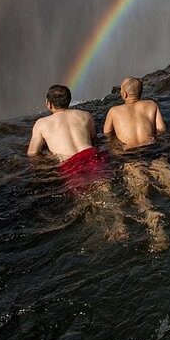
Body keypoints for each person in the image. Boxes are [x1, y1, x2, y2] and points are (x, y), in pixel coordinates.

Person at [104, 77, 170, 248]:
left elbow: (107, 134)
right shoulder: (151, 105)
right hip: (153, 151)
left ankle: (156, 226)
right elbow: (161, 129)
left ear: (123, 93)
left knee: (140, 195)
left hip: (130, 155)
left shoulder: (114, 111)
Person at [27, 84, 126, 240]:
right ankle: (120, 225)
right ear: (69, 101)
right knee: (106, 191)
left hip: (70, 163)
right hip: (92, 155)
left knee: (85, 198)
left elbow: (32, 153)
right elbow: (93, 138)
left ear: (49, 104)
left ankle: (103, 232)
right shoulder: (85, 115)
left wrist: (49, 158)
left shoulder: (41, 123)